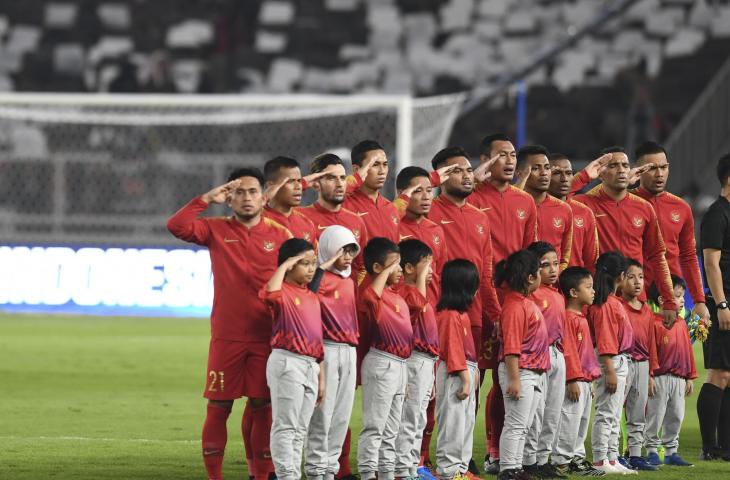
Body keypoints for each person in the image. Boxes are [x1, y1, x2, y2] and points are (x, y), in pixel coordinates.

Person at [166, 168, 292, 480]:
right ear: (230, 199)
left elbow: (300, 276)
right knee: (219, 405)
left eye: (252, 192)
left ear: (263, 198)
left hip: (267, 335)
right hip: (228, 336)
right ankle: (215, 477)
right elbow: (176, 226)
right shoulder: (216, 229)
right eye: (239, 192)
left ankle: (260, 475)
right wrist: (206, 199)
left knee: (263, 404)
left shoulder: (281, 235)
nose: (246, 198)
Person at [573, 147, 678, 328]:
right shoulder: (585, 204)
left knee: (641, 356)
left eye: (625, 165)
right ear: (600, 173)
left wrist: (669, 300)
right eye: (613, 166)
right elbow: (554, 200)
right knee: (602, 355)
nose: (621, 170)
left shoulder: (644, 208)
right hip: (599, 299)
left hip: (635, 299)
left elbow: (657, 256)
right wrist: (584, 177)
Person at [261, 239, 325, 480]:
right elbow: (270, 294)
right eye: (304, 264)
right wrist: (284, 264)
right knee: (286, 425)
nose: (311, 269)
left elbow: (318, 342)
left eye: (313, 264)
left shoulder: (311, 296)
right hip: (287, 361)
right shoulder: (282, 292)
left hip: (310, 365)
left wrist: (321, 378)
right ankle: (286, 475)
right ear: (289, 266)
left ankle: (291, 475)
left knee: (300, 429)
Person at [305, 226, 361, 480]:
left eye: (351, 250)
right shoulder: (318, 279)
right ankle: (316, 470)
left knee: (341, 415)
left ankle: (330, 469)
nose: (348, 256)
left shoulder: (348, 281)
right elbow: (307, 298)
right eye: (342, 250)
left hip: (349, 351)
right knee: (323, 414)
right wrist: (322, 267)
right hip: (326, 350)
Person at [632, 141, 710, 324]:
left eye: (663, 167)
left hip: (673, 298)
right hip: (636, 298)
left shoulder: (681, 208)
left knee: (676, 352)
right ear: (638, 171)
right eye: (652, 168)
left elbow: (689, 256)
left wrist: (699, 300)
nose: (659, 174)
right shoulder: (626, 203)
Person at [357, 238, 412, 480]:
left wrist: (406, 374)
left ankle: (387, 474)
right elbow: (369, 295)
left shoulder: (398, 297)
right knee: (375, 427)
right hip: (381, 361)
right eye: (394, 265)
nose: (399, 270)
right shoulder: (374, 295)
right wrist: (387, 271)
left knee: (392, 429)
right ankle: (369, 473)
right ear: (378, 269)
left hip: (400, 365)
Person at [521, 242, 576, 478]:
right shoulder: (531, 295)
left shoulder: (558, 295)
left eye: (556, 264)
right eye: (546, 265)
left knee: (553, 411)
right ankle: (529, 460)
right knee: (536, 413)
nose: (553, 270)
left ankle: (544, 459)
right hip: (538, 354)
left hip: (557, 353)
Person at [495, 250, 550, 480]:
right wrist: (515, 378)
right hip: (521, 371)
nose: (540, 276)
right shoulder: (515, 306)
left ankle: (515, 467)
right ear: (530, 278)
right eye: (538, 271)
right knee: (516, 423)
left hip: (531, 372)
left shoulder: (522, 302)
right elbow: (512, 347)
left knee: (524, 425)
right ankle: (508, 469)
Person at [394, 239, 439, 480]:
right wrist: (421, 279)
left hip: (426, 360)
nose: (431, 271)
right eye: (426, 265)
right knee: (409, 417)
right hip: (413, 359)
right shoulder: (406, 292)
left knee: (418, 416)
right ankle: (402, 469)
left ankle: (411, 466)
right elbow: (416, 306)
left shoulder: (417, 292)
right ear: (409, 268)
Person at [552, 267, 604, 477]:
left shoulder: (581, 317)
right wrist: (572, 379)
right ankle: (561, 460)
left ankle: (577, 458)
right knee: (568, 420)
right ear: (573, 292)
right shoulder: (567, 318)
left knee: (581, 422)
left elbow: (586, 356)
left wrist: (589, 380)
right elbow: (569, 353)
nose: (593, 291)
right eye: (588, 287)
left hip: (584, 380)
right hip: (573, 381)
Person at [588, 252, 636, 475]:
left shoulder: (611, 301)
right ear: (622, 275)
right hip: (611, 360)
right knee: (606, 413)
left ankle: (612, 458)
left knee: (614, 414)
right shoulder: (607, 304)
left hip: (617, 359)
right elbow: (606, 340)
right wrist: (610, 371)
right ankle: (600, 459)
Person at [435, 259, 481, 480]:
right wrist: (465, 378)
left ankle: (461, 469)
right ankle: (449, 471)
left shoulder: (461, 315)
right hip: (456, 374)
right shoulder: (450, 315)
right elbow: (453, 350)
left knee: (466, 423)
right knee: (453, 423)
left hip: (466, 370)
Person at [697, 152, 730, 461]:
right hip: (725, 303)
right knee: (718, 373)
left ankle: (726, 446)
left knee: (729, 374)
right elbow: (711, 262)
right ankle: (709, 446)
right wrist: (721, 303)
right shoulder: (717, 213)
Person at [645, 276, 697, 467]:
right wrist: (650, 375)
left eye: (683, 296)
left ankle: (671, 452)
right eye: (678, 296)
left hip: (679, 378)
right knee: (655, 415)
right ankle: (651, 450)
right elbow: (650, 353)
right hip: (659, 378)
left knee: (676, 414)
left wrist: (690, 376)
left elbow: (687, 351)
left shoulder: (683, 324)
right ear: (662, 300)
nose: (683, 300)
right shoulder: (653, 323)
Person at [298, 153, 370, 283]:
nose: (339, 184)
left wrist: (355, 294)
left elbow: (362, 266)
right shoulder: (300, 217)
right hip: (313, 299)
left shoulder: (356, 221)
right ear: (315, 184)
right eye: (331, 178)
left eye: (342, 178)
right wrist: (302, 183)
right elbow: (268, 207)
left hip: (347, 300)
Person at [618, 259, 659, 471]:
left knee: (638, 412)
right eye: (631, 277)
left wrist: (651, 372)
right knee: (614, 411)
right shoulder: (616, 306)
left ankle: (634, 455)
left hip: (642, 365)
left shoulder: (647, 311)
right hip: (622, 362)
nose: (637, 282)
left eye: (641, 277)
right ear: (621, 279)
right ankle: (612, 454)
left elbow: (652, 343)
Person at [521, 147, 573, 270]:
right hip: (522, 281)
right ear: (520, 172)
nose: (544, 173)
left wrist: (556, 276)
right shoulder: (513, 206)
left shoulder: (564, 209)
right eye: (536, 168)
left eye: (547, 168)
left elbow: (565, 257)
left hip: (553, 285)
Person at [547, 153, 599, 271]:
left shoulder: (584, 212)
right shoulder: (534, 208)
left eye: (569, 173)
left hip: (576, 284)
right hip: (544, 285)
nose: (564, 179)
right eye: (556, 173)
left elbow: (591, 259)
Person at [342, 140, 401, 242]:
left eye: (385, 164)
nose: (382, 171)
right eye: (375, 164)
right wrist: (356, 178)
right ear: (356, 169)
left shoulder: (391, 209)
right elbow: (332, 192)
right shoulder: (344, 204)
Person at [262, 156, 320, 243]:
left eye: (299, 181)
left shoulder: (307, 223)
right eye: (290, 181)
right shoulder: (256, 221)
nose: (298, 187)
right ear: (271, 186)